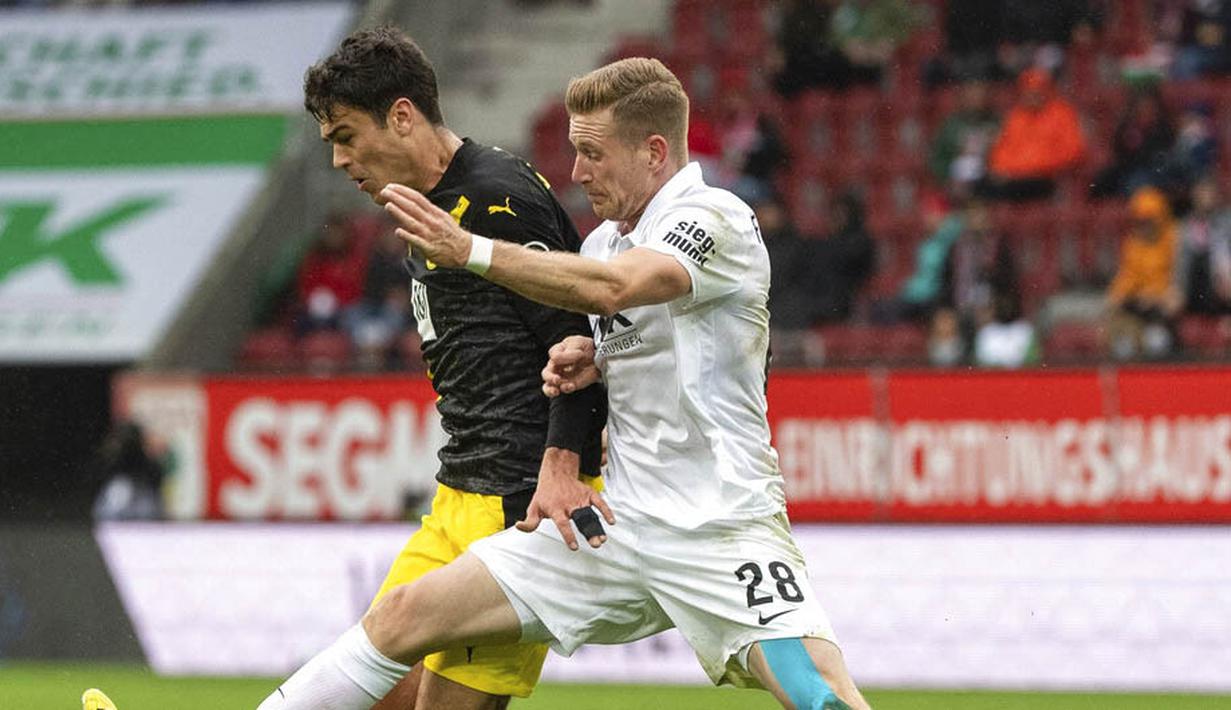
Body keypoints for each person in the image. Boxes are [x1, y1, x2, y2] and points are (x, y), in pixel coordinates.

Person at [259, 57, 870, 710]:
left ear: (653, 152)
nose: (576, 173)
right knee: (402, 616)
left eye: (592, 154)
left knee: (818, 696)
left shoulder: (716, 218)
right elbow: (621, 317)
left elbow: (618, 289)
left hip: (718, 529)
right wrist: (592, 357)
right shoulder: (604, 241)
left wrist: (468, 250)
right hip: (613, 527)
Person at [295, 27, 606, 710]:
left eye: (346, 135)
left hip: (515, 502)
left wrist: (557, 470)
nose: (342, 159)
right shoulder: (427, 200)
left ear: (401, 116)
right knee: (370, 690)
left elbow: (581, 347)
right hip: (458, 492)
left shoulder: (497, 201)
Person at [984, 68, 1085, 202]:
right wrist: (1004, 169)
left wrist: (1036, 167)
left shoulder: (1062, 114)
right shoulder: (1015, 117)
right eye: (1028, 91)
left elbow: (1074, 151)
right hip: (1016, 178)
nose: (1032, 95)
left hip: (1047, 177)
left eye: (1037, 90)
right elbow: (1001, 152)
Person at [1106, 186, 1181, 360]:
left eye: (1148, 220)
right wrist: (1116, 297)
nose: (1143, 225)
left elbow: (1177, 281)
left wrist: (1157, 295)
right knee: (1122, 344)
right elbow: (1127, 277)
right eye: (1139, 220)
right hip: (1140, 304)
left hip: (1162, 306)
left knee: (1157, 341)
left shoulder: (1175, 239)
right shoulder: (1133, 243)